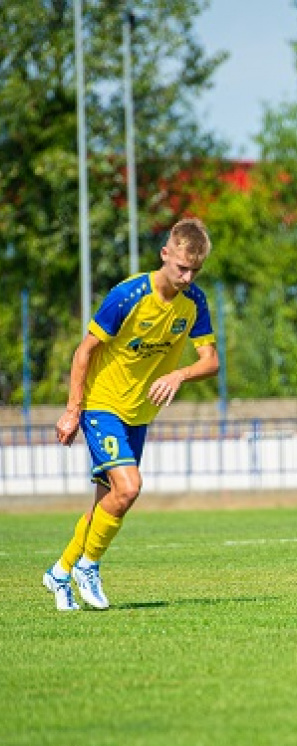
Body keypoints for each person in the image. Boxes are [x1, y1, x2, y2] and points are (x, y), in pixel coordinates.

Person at [44, 218, 220, 611]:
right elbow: (84, 351)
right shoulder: (128, 295)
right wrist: (73, 410)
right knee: (129, 487)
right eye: (181, 268)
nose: (188, 277)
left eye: (195, 270)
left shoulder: (195, 302)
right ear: (165, 254)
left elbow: (210, 361)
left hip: (139, 415)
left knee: (107, 503)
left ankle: (59, 573)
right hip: (103, 405)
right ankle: (88, 566)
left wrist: (180, 373)